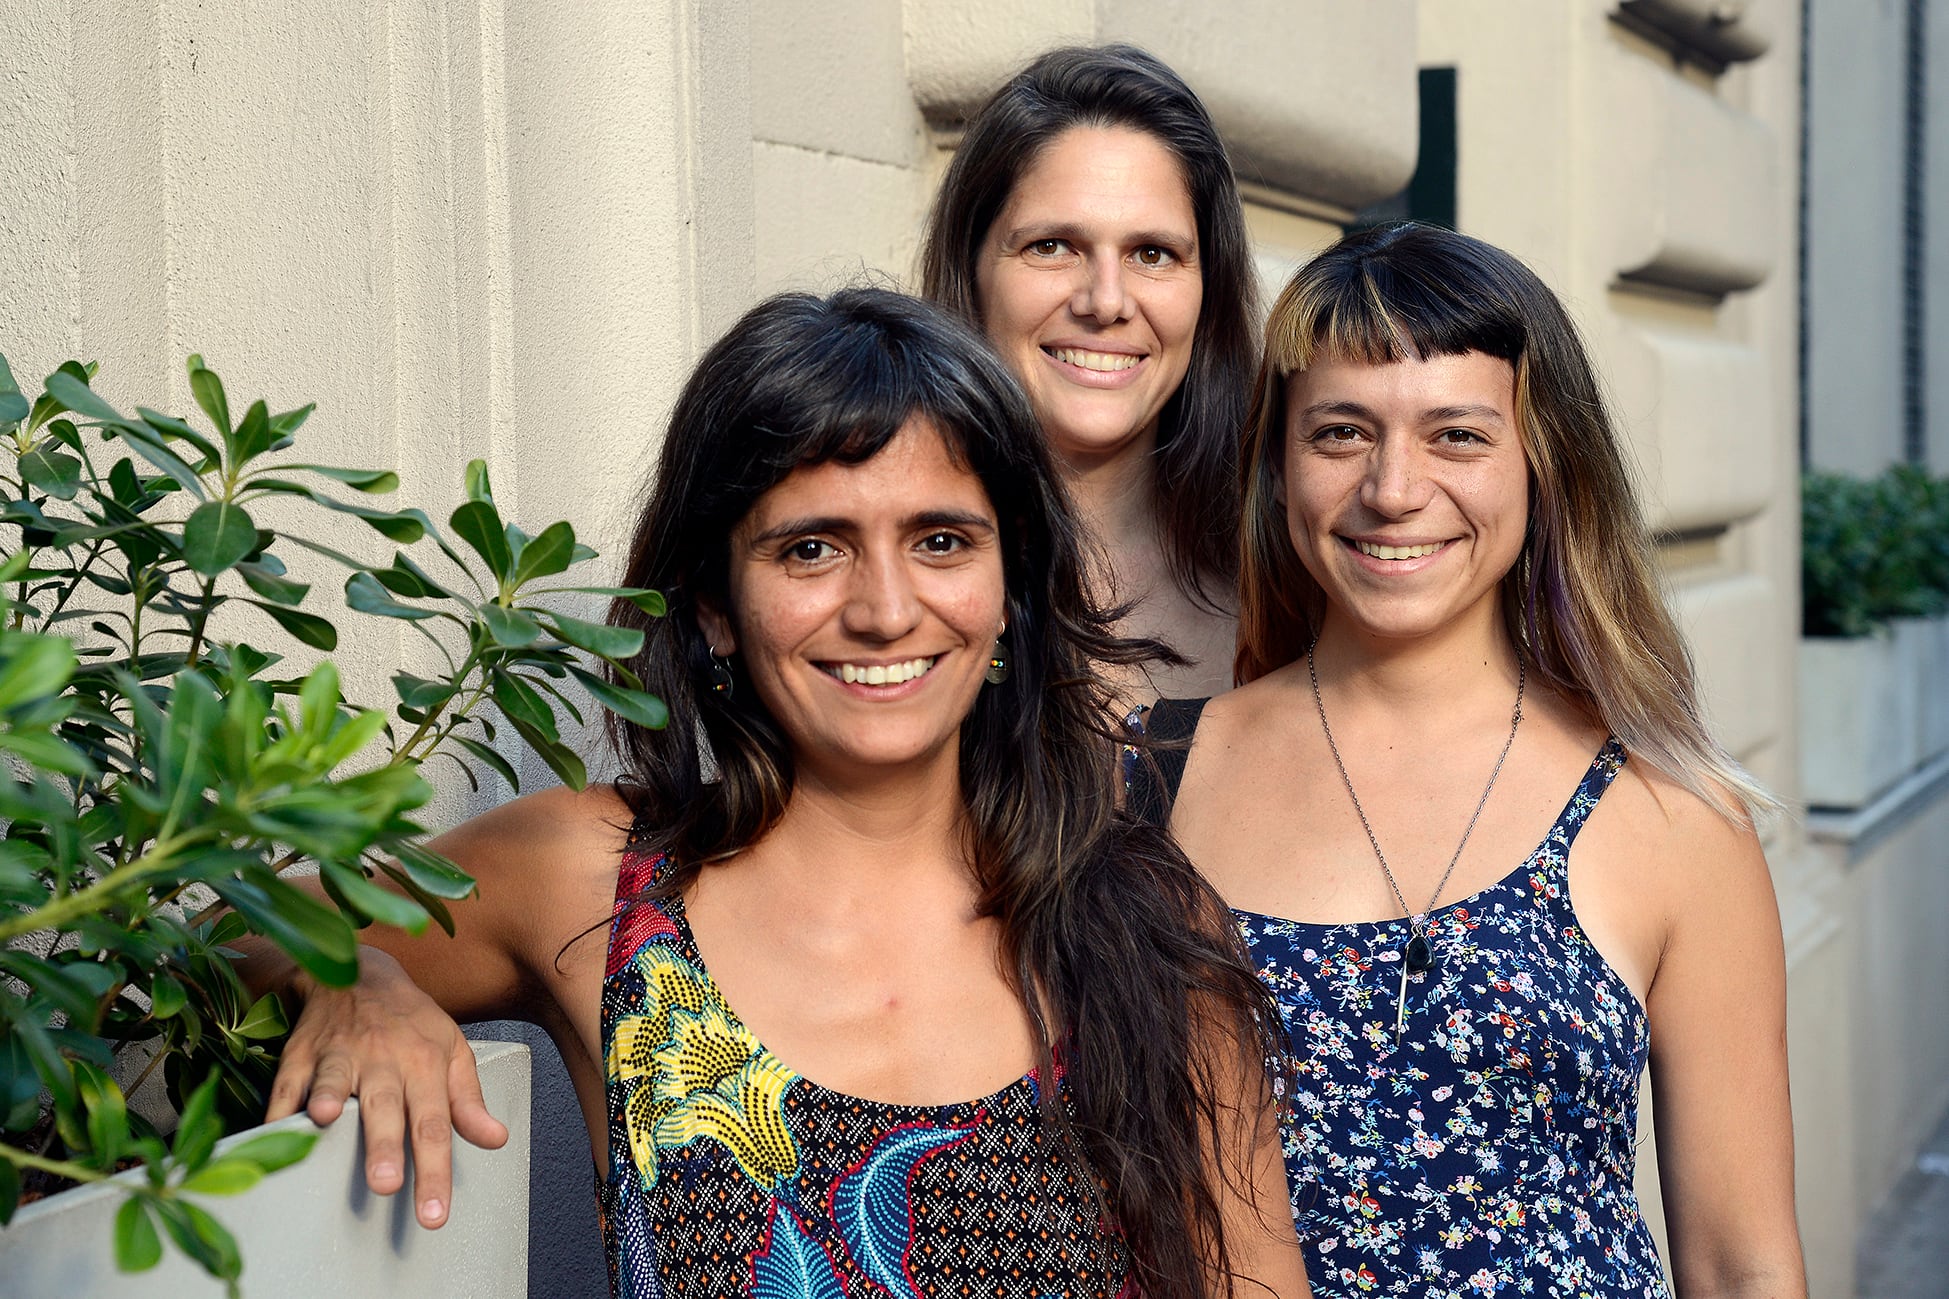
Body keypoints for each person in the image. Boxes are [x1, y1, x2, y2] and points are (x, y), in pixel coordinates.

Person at [256, 289, 1311, 1298]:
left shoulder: (1140, 926)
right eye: (812, 549)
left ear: (1008, 590)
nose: (885, 610)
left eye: (940, 541)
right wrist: (356, 978)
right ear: (714, 606)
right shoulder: (604, 884)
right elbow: (230, 921)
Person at [1132, 224, 1806, 1298]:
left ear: (1544, 463)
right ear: (1277, 464)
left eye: (1456, 435)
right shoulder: (1152, 778)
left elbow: (1741, 1264)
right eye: (1340, 433)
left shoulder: (1670, 814)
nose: (1392, 489)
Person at [921, 44, 1259, 702]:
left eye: (1153, 253)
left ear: (1206, 292)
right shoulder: (886, 577)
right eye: (1052, 246)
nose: (1104, 302)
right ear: (973, 267)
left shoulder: (1294, 576)